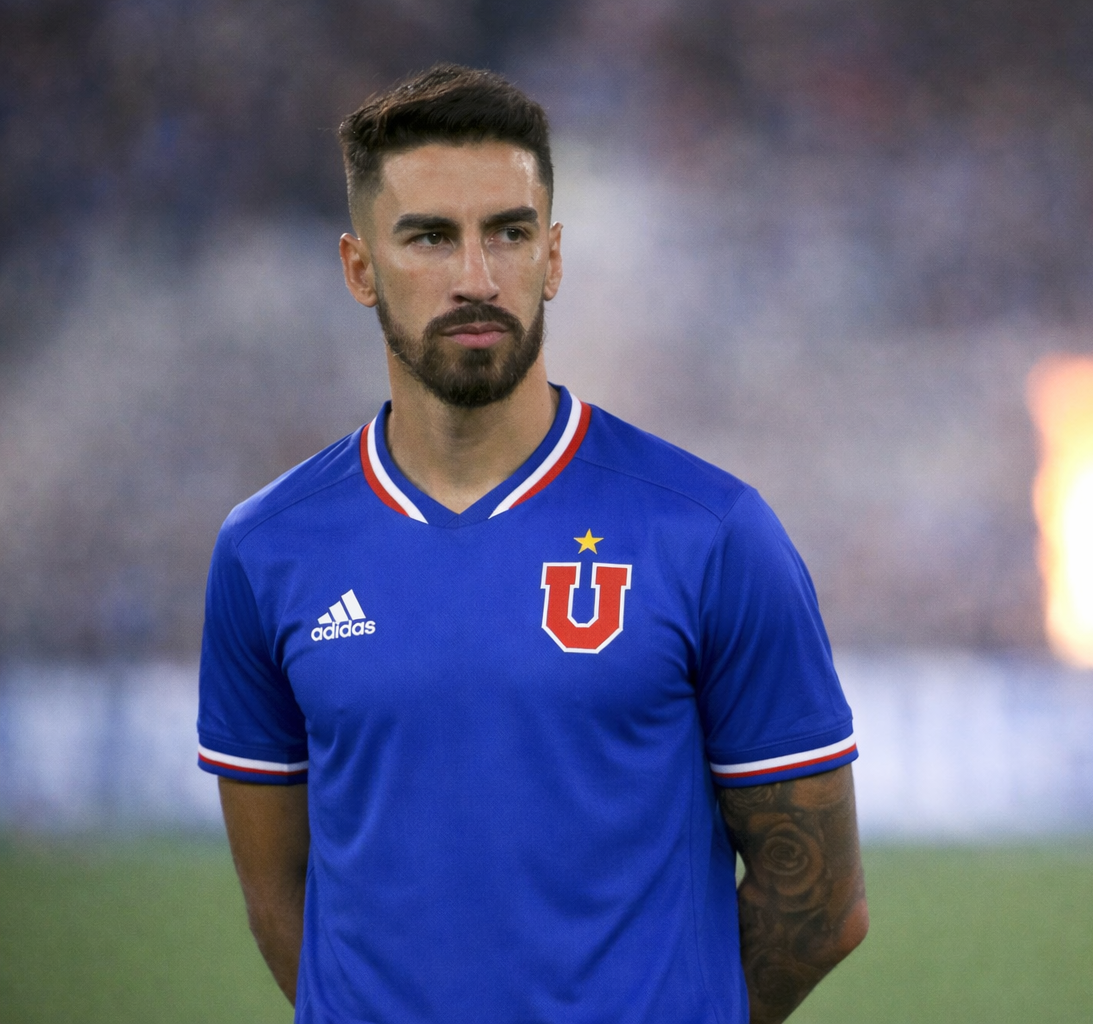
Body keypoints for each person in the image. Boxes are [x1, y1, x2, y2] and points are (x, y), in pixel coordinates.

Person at [195, 64, 867, 1024]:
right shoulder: (267, 550)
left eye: (509, 232)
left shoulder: (711, 532)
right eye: (430, 237)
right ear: (359, 268)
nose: (476, 278)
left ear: (552, 258)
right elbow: (279, 902)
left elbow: (819, 907)